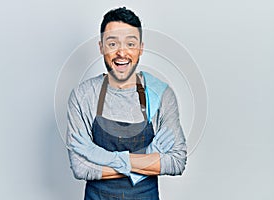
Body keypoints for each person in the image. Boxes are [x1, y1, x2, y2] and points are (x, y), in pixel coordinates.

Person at [66, 7, 187, 200]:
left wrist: (102, 157)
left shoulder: (161, 95)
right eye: (112, 43)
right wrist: (149, 157)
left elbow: (176, 161)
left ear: (140, 48)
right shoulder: (83, 96)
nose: (121, 53)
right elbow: (81, 167)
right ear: (101, 47)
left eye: (130, 43)